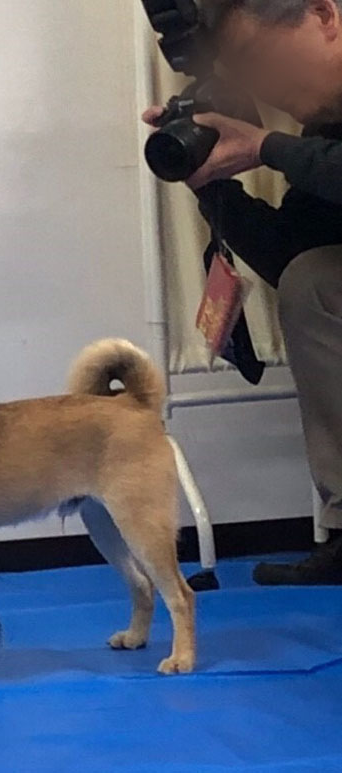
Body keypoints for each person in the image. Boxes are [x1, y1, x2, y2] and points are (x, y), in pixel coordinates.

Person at [143, 0, 342, 585]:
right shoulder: (327, 123)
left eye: (258, 58)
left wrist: (263, 147)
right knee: (315, 281)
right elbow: (289, 259)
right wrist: (212, 187)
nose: (265, 86)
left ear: (324, 15)